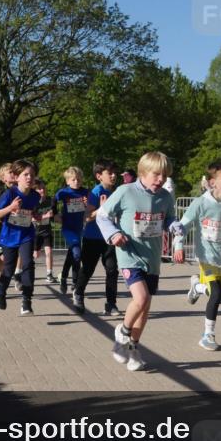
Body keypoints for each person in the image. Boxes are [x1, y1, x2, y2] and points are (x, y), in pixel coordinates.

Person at [97, 151, 183, 371]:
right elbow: (102, 216)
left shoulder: (166, 197)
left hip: (151, 257)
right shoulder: (125, 191)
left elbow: (168, 218)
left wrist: (174, 226)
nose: (161, 179)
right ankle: (123, 332)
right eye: (156, 174)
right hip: (129, 254)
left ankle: (133, 349)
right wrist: (113, 234)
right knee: (141, 298)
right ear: (143, 172)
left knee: (144, 308)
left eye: (165, 175)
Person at [174, 160, 221, 352]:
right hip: (205, 256)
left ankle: (197, 286)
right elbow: (182, 226)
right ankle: (208, 335)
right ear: (212, 182)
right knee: (215, 294)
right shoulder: (200, 203)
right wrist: (178, 245)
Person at [0, 160, 42, 316]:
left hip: (26, 235)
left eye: (32, 175)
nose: (29, 178)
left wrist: (35, 215)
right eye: (25, 175)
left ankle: (26, 302)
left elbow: (31, 211)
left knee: (28, 264)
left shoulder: (35, 196)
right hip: (9, 236)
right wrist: (10, 208)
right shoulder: (10, 194)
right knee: (9, 268)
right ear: (17, 177)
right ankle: (0, 290)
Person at [75, 159, 121, 317]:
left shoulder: (117, 192)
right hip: (93, 237)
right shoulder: (95, 192)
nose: (114, 176)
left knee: (112, 270)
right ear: (99, 176)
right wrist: (102, 209)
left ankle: (111, 304)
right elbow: (87, 217)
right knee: (88, 269)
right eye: (110, 173)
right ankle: (78, 293)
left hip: (110, 237)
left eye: (115, 173)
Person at [56, 167, 89, 302]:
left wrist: (87, 205)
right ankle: (75, 283)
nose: (76, 182)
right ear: (67, 181)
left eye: (79, 179)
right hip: (68, 228)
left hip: (80, 228)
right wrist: (55, 215)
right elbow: (52, 203)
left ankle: (63, 277)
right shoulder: (63, 192)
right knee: (77, 253)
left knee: (73, 253)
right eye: (73, 179)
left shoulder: (85, 192)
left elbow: (92, 206)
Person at [0, 164, 17, 276]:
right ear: (3, 178)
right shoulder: (0, 191)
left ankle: (17, 276)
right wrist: (8, 210)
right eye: (10, 172)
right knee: (3, 256)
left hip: (18, 227)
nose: (13, 174)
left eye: (14, 171)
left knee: (18, 255)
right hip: (3, 229)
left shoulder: (21, 189)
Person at [32, 179, 58, 285]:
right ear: (35, 190)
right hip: (35, 231)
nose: (42, 190)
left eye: (43, 188)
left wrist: (65, 220)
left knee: (49, 252)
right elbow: (31, 218)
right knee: (36, 255)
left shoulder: (50, 200)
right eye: (39, 189)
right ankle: (27, 270)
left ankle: (49, 274)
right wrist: (45, 216)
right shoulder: (32, 202)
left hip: (47, 230)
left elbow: (55, 215)